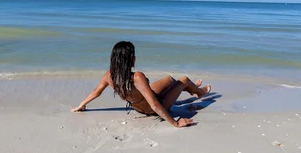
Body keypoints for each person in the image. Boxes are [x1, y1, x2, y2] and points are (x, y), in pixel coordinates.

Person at [71, 41, 211, 128]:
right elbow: (155, 105)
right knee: (184, 79)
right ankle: (199, 92)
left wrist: (81, 105)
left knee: (169, 79)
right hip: (151, 109)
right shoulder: (137, 77)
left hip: (138, 105)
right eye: (134, 55)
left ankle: (191, 89)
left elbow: (97, 92)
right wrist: (175, 123)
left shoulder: (110, 74)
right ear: (131, 59)